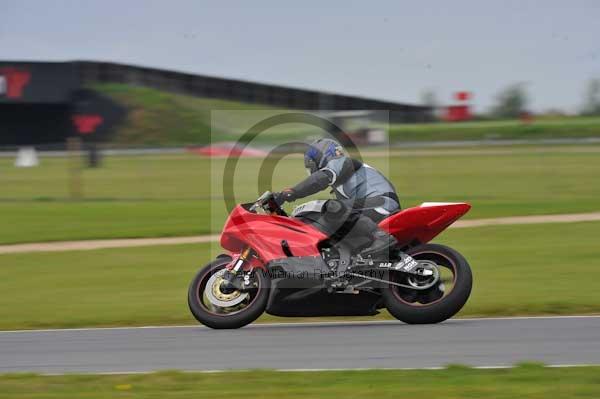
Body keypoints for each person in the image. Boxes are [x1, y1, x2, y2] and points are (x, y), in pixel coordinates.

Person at [273, 138, 401, 259]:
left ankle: (381, 237)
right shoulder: (344, 177)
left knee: (332, 207)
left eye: (311, 165)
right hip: (376, 204)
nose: (311, 170)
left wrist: (293, 192)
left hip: (382, 203)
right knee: (331, 217)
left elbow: (322, 178)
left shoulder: (341, 162)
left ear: (319, 158)